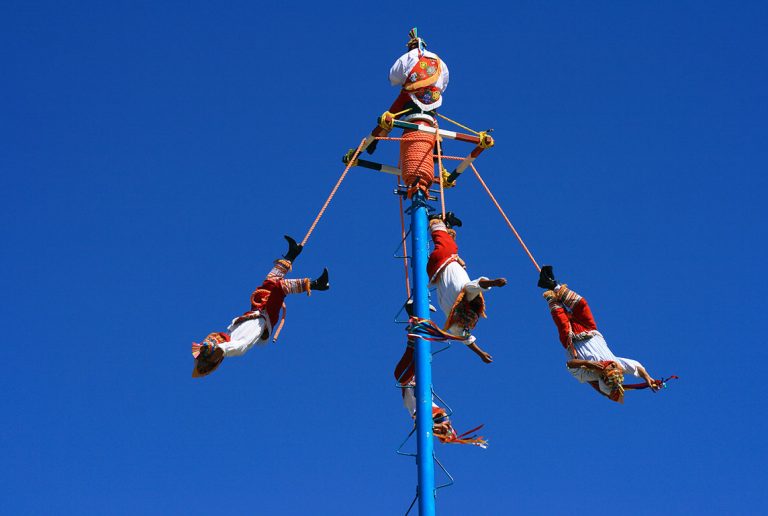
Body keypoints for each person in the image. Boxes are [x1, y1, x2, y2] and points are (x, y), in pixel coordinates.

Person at [191, 236, 329, 378]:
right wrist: (220, 350)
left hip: (257, 311)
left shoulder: (230, 334)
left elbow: (221, 347)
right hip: (266, 317)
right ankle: (317, 284)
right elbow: (234, 347)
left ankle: (291, 254)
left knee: (269, 283)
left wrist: (214, 349)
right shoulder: (234, 345)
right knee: (279, 288)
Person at [537, 265, 661, 403]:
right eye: (615, 368)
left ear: (604, 375)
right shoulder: (617, 363)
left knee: (560, 316)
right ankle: (554, 285)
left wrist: (589, 364)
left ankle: (549, 288)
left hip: (571, 339)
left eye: (610, 369)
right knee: (582, 305)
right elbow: (637, 367)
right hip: (589, 329)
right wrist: (648, 378)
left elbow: (570, 364)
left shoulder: (591, 374)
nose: (612, 366)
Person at [394, 302, 487, 447]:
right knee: (416, 347)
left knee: (413, 348)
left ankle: (415, 315)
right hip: (411, 377)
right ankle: (416, 314)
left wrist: (436, 428)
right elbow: (443, 422)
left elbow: (423, 424)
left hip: (406, 378)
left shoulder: (421, 413)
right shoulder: (433, 409)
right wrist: (442, 427)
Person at [427, 212, 506, 363]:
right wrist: (481, 353)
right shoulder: (453, 319)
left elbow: (479, 284)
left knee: (448, 246)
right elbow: (466, 338)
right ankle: (447, 224)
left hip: (445, 260)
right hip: (435, 271)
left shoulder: (466, 296)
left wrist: (494, 283)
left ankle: (435, 220)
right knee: (450, 245)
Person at [367, 28, 450, 155]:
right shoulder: (440, 61)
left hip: (412, 96)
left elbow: (393, 77)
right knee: (432, 118)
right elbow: (444, 83)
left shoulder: (408, 56)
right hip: (434, 98)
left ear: (411, 46)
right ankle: (438, 146)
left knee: (392, 113)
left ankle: (377, 138)